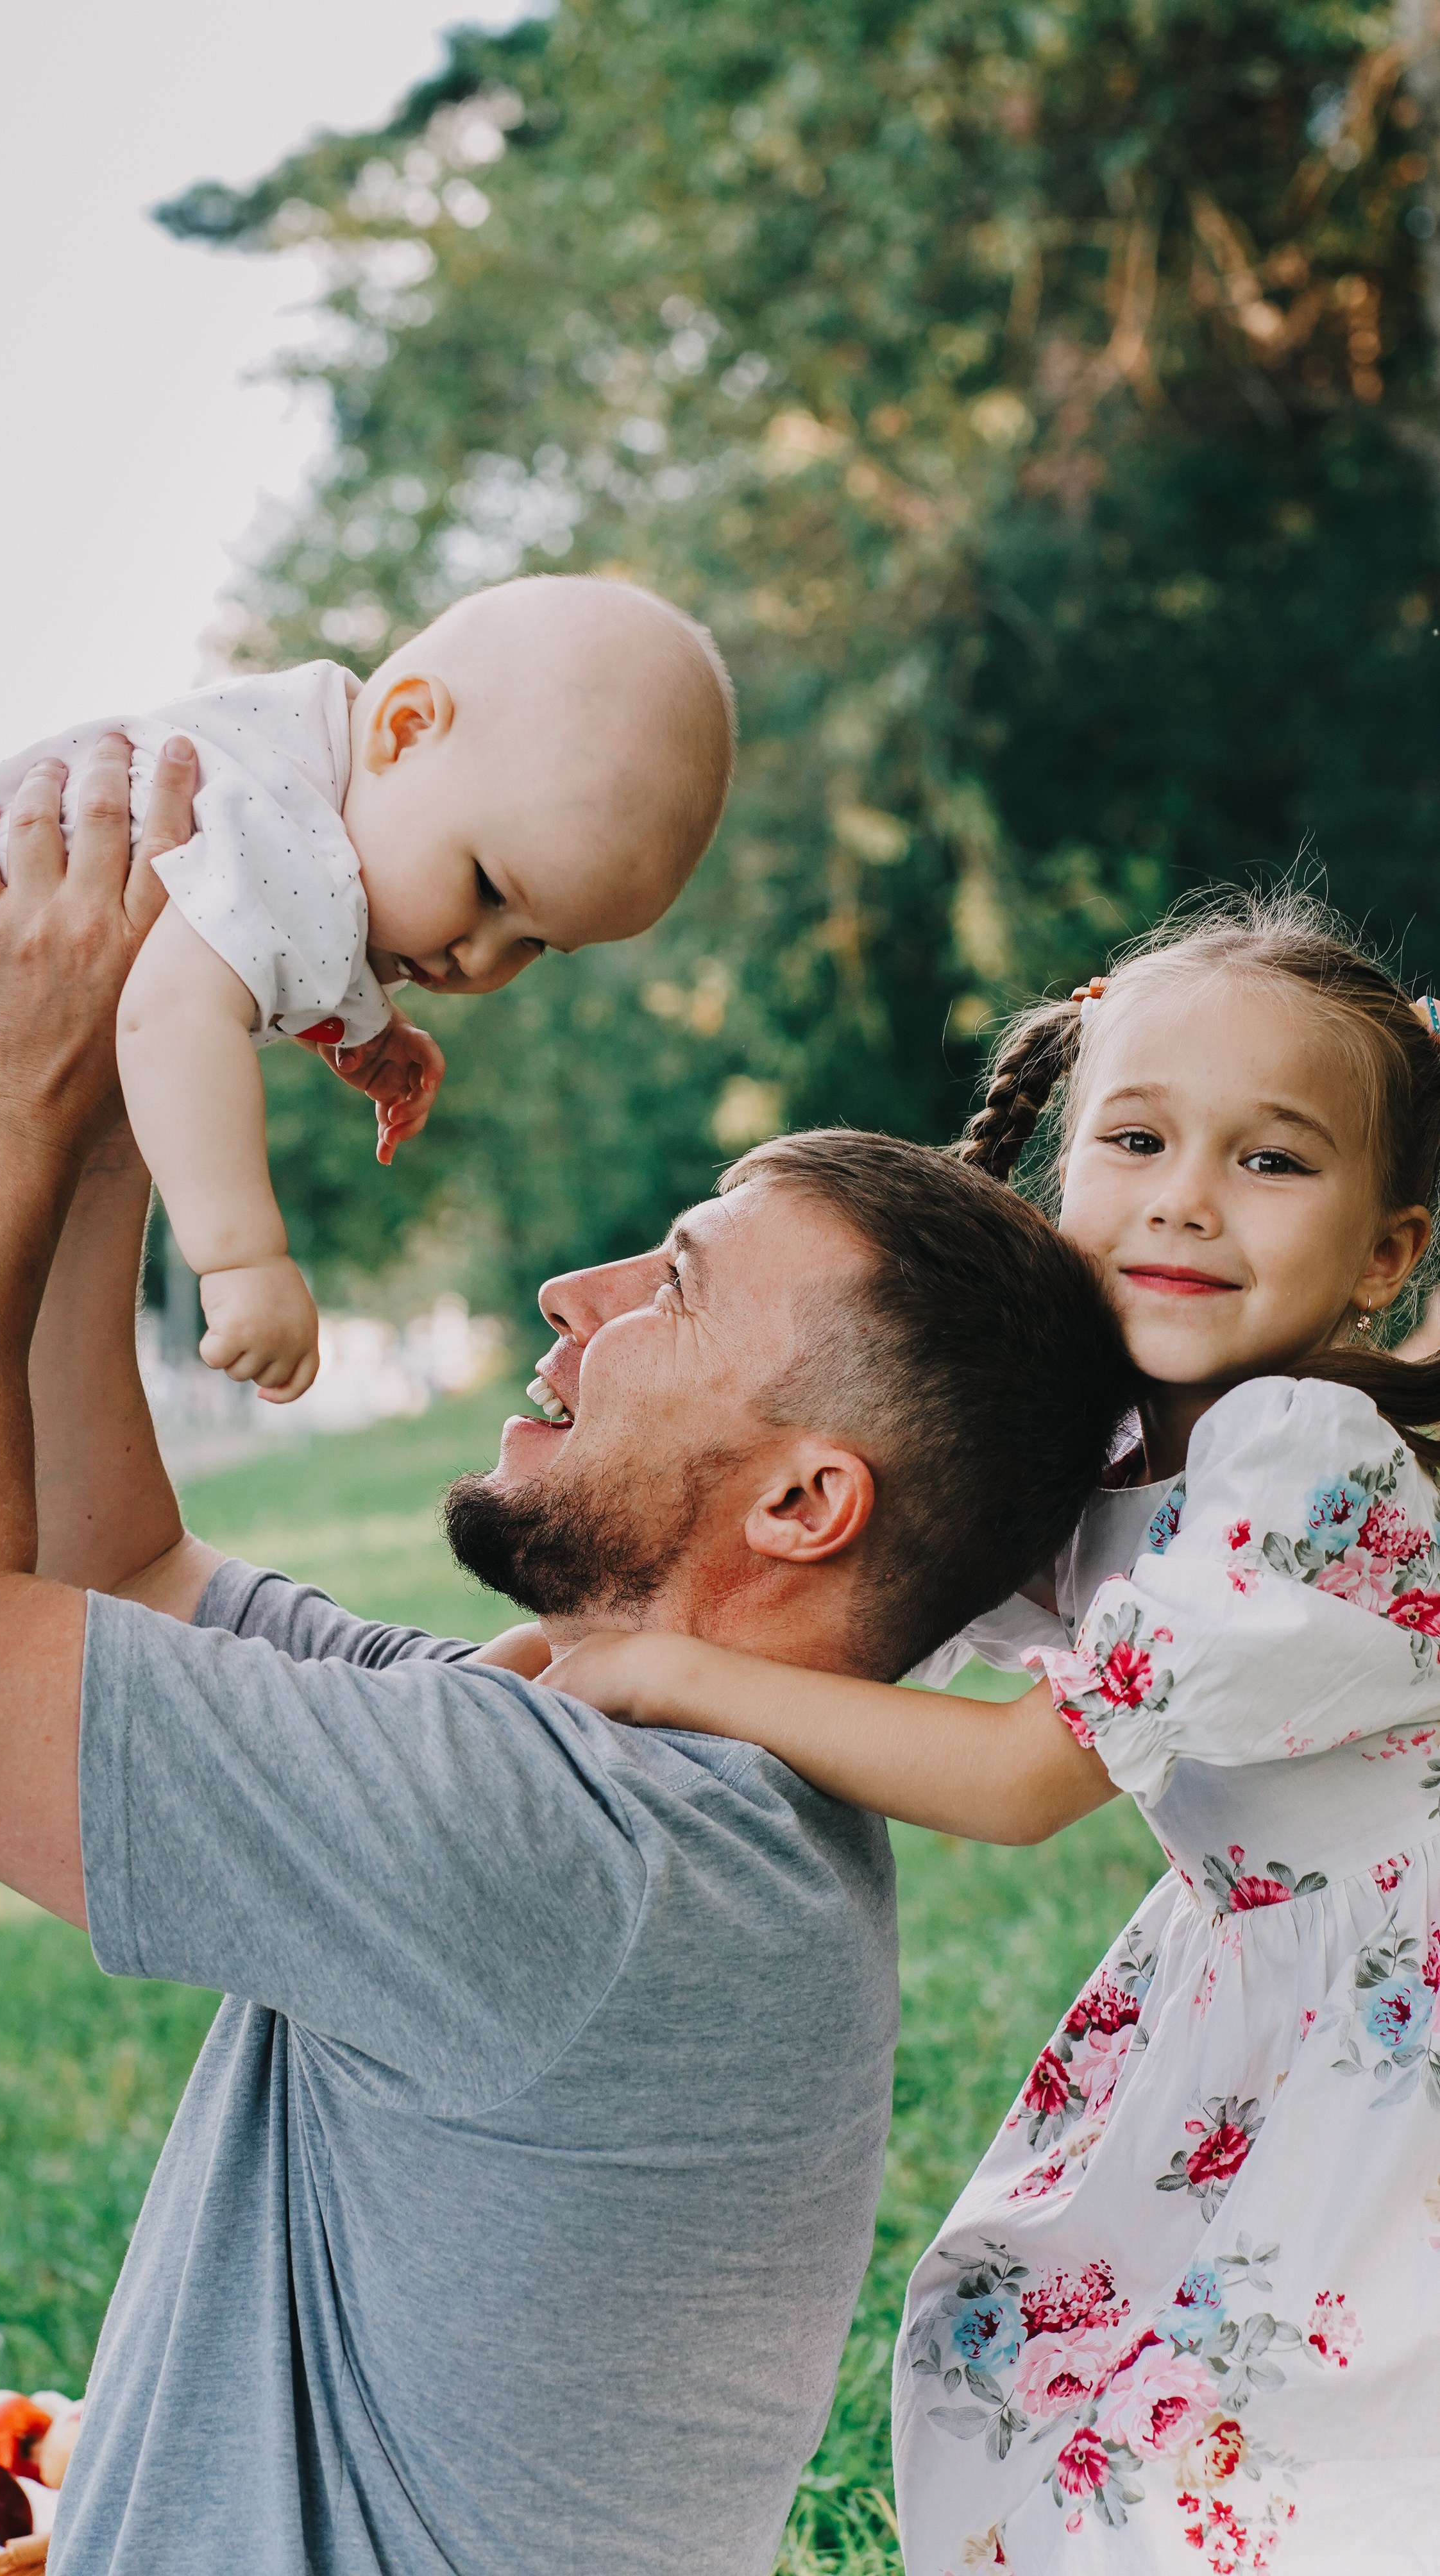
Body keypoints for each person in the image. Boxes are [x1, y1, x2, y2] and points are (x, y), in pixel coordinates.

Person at [0, 739, 1133, 2575]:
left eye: (667, 1285)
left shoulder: (585, 1861)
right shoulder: (644, 1798)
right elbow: (115, 1569)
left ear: (801, 1504)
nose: (570, 1299)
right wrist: (129, 1083)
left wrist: (15, 1104)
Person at [554, 896, 1440, 2570]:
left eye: (1272, 1161)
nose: (1184, 1193)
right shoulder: (1093, 1440)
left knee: (1314, 2433)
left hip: (1386, 2001)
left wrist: (663, 1676)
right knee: (1058, 2368)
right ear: (1059, 1177)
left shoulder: (1298, 1451)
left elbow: (1028, 1776)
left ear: (1382, 1251)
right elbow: (834, 1608)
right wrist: (583, 1640)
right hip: (1254, 1979)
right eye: (1137, 1136)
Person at [0, 574, 736, 1401]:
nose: (477, 959)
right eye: (488, 888)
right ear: (407, 728)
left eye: (533, 944)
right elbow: (173, 1018)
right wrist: (244, 1259)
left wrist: (358, 1022)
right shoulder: (294, 840)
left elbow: (252, 939)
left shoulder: (296, 757)